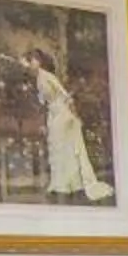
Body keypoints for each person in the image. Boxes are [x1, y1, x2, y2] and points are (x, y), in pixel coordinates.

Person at [25, 47, 112, 205]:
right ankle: (61, 183)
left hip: (63, 114)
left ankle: (72, 183)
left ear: (40, 62)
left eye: (33, 60)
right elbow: (43, 101)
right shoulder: (38, 79)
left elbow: (65, 96)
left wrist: (75, 116)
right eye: (30, 61)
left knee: (67, 148)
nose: (31, 63)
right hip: (53, 114)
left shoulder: (49, 76)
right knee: (58, 148)